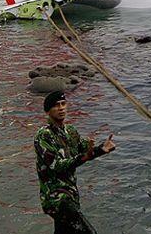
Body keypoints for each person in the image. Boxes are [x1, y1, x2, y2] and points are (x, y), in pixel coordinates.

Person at [34, 91, 116, 233]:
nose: (61, 108)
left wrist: (102, 148)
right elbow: (56, 166)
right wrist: (84, 157)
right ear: (48, 111)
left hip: (71, 196)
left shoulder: (70, 131)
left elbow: (85, 150)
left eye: (63, 104)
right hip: (57, 199)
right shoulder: (43, 135)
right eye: (56, 106)